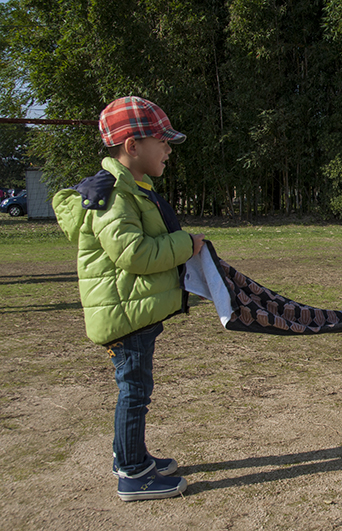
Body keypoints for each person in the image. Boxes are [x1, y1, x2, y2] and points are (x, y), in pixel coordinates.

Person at [52, 96, 206, 500]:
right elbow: (135, 254)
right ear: (132, 146)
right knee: (135, 393)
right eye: (162, 141)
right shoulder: (114, 197)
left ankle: (130, 456)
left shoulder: (131, 189)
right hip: (125, 318)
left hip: (132, 312)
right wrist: (185, 244)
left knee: (136, 390)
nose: (169, 149)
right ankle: (133, 474)